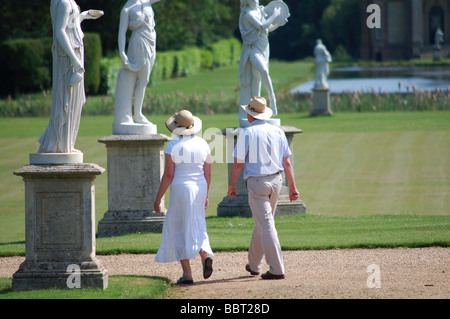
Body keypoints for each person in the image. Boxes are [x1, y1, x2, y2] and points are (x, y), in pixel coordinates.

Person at [227, 96, 299, 280]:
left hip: (257, 183)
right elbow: (287, 162)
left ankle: (277, 269)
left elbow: (237, 164)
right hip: (277, 181)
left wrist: (231, 185)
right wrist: (292, 187)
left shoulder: (247, 133)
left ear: (250, 115)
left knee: (266, 224)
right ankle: (254, 264)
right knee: (263, 222)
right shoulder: (278, 131)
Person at [154, 110, 214, 284]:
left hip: (181, 188)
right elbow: (208, 174)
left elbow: (168, 175)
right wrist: (207, 194)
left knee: (178, 227)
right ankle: (204, 254)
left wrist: (158, 199)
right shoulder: (203, 144)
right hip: (200, 187)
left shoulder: (173, 145)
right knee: (198, 222)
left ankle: (187, 274)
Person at [38, 0, 103, 153]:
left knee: (76, 100)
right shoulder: (63, 3)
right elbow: (60, 31)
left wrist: (84, 16)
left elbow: (70, 25)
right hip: (69, 57)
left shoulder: (67, 2)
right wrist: (75, 59)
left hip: (73, 53)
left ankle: (67, 143)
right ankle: (61, 145)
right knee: (67, 101)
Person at [113, 0, 162, 127]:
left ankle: (137, 113)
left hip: (151, 40)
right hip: (139, 41)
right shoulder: (126, 9)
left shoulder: (146, 2)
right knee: (142, 79)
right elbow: (121, 33)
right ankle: (137, 114)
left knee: (144, 80)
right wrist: (122, 54)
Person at [238, 0, 282, 126]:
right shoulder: (248, 14)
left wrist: (277, 24)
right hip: (252, 49)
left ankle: (255, 112)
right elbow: (262, 26)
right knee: (264, 71)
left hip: (264, 48)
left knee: (257, 80)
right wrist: (274, 15)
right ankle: (272, 99)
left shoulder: (259, 11)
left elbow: (266, 29)